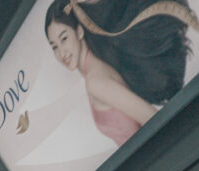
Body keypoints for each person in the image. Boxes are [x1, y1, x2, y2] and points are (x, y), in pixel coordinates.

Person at [45, 0, 199, 146]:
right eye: (54, 47)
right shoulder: (99, 68)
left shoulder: (95, 82)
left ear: (79, 31)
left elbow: (154, 120)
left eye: (64, 38)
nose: (61, 52)